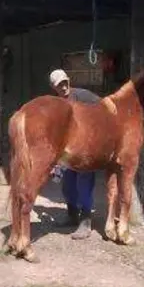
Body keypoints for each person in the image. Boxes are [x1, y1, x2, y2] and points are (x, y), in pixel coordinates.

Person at [48, 68, 101, 239]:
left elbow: (105, 106)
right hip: (67, 151)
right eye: (59, 85)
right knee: (67, 184)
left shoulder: (83, 95)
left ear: (68, 81)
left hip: (86, 149)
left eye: (65, 83)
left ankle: (86, 221)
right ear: (53, 87)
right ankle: (72, 215)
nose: (63, 87)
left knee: (83, 183)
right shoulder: (56, 104)